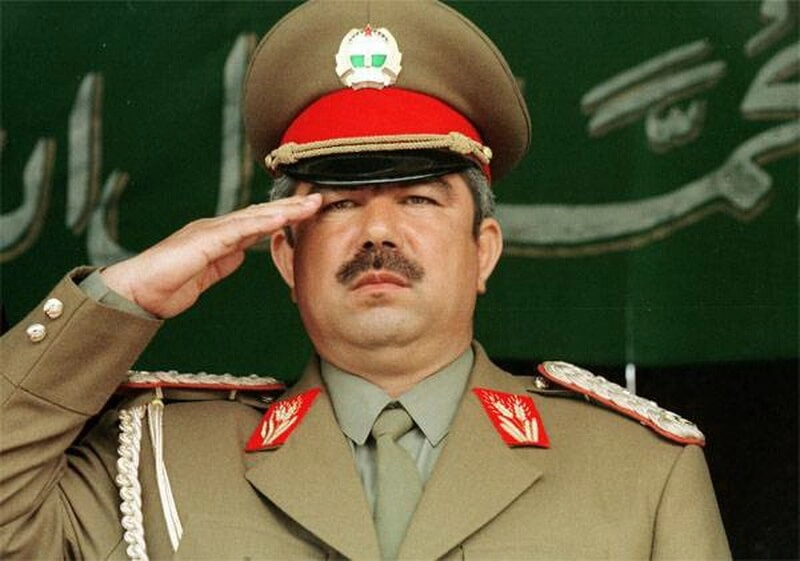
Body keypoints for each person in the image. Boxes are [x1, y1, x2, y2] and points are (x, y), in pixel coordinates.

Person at [0, 1, 730, 559]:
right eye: (340, 204)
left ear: (484, 251)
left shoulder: (638, 472)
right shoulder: (154, 462)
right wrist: (119, 300)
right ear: (286, 256)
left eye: (418, 199)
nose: (379, 232)